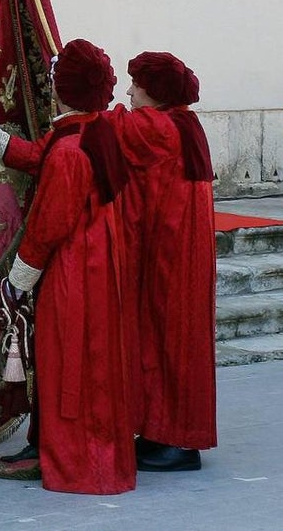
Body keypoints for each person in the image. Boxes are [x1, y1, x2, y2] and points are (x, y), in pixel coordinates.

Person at [0, 39, 136, 494]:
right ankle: (58, 442)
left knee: (69, 359)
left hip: (76, 269)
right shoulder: (91, 130)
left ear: (64, 89)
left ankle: (77, 456)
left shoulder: (72, 150)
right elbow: (41, 157)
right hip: (99, 263)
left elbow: (47, 227)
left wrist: (16, 283)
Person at [105, 52, 217, 471]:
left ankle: (178, 441)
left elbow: (104, 126)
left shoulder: (158, 127)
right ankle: (162, 432)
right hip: (182, 254)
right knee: (170, 344)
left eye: (136, 86)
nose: (129, 92)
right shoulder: (184, 123)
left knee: (168, 345)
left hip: (170, 256)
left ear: (156, 92)